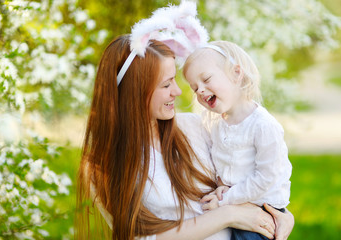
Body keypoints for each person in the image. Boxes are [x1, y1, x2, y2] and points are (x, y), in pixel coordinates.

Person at [76, 2, 294, 240]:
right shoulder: (103, 164)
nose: (178, 92)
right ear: (135, 93)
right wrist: (229, 215)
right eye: (166, 84)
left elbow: (249, 173)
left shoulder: (196, 127)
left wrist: (280, 215)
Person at [183, 40, 292, 240]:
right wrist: (221, 184)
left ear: (236, 73)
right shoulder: (216, 122)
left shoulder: (263, 126)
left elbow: (266, 178)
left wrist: (225, 199)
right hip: (235, 206)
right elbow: (221, 162)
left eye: (206, 79)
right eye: (194, 87)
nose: (200, 90)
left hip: (262, 211)